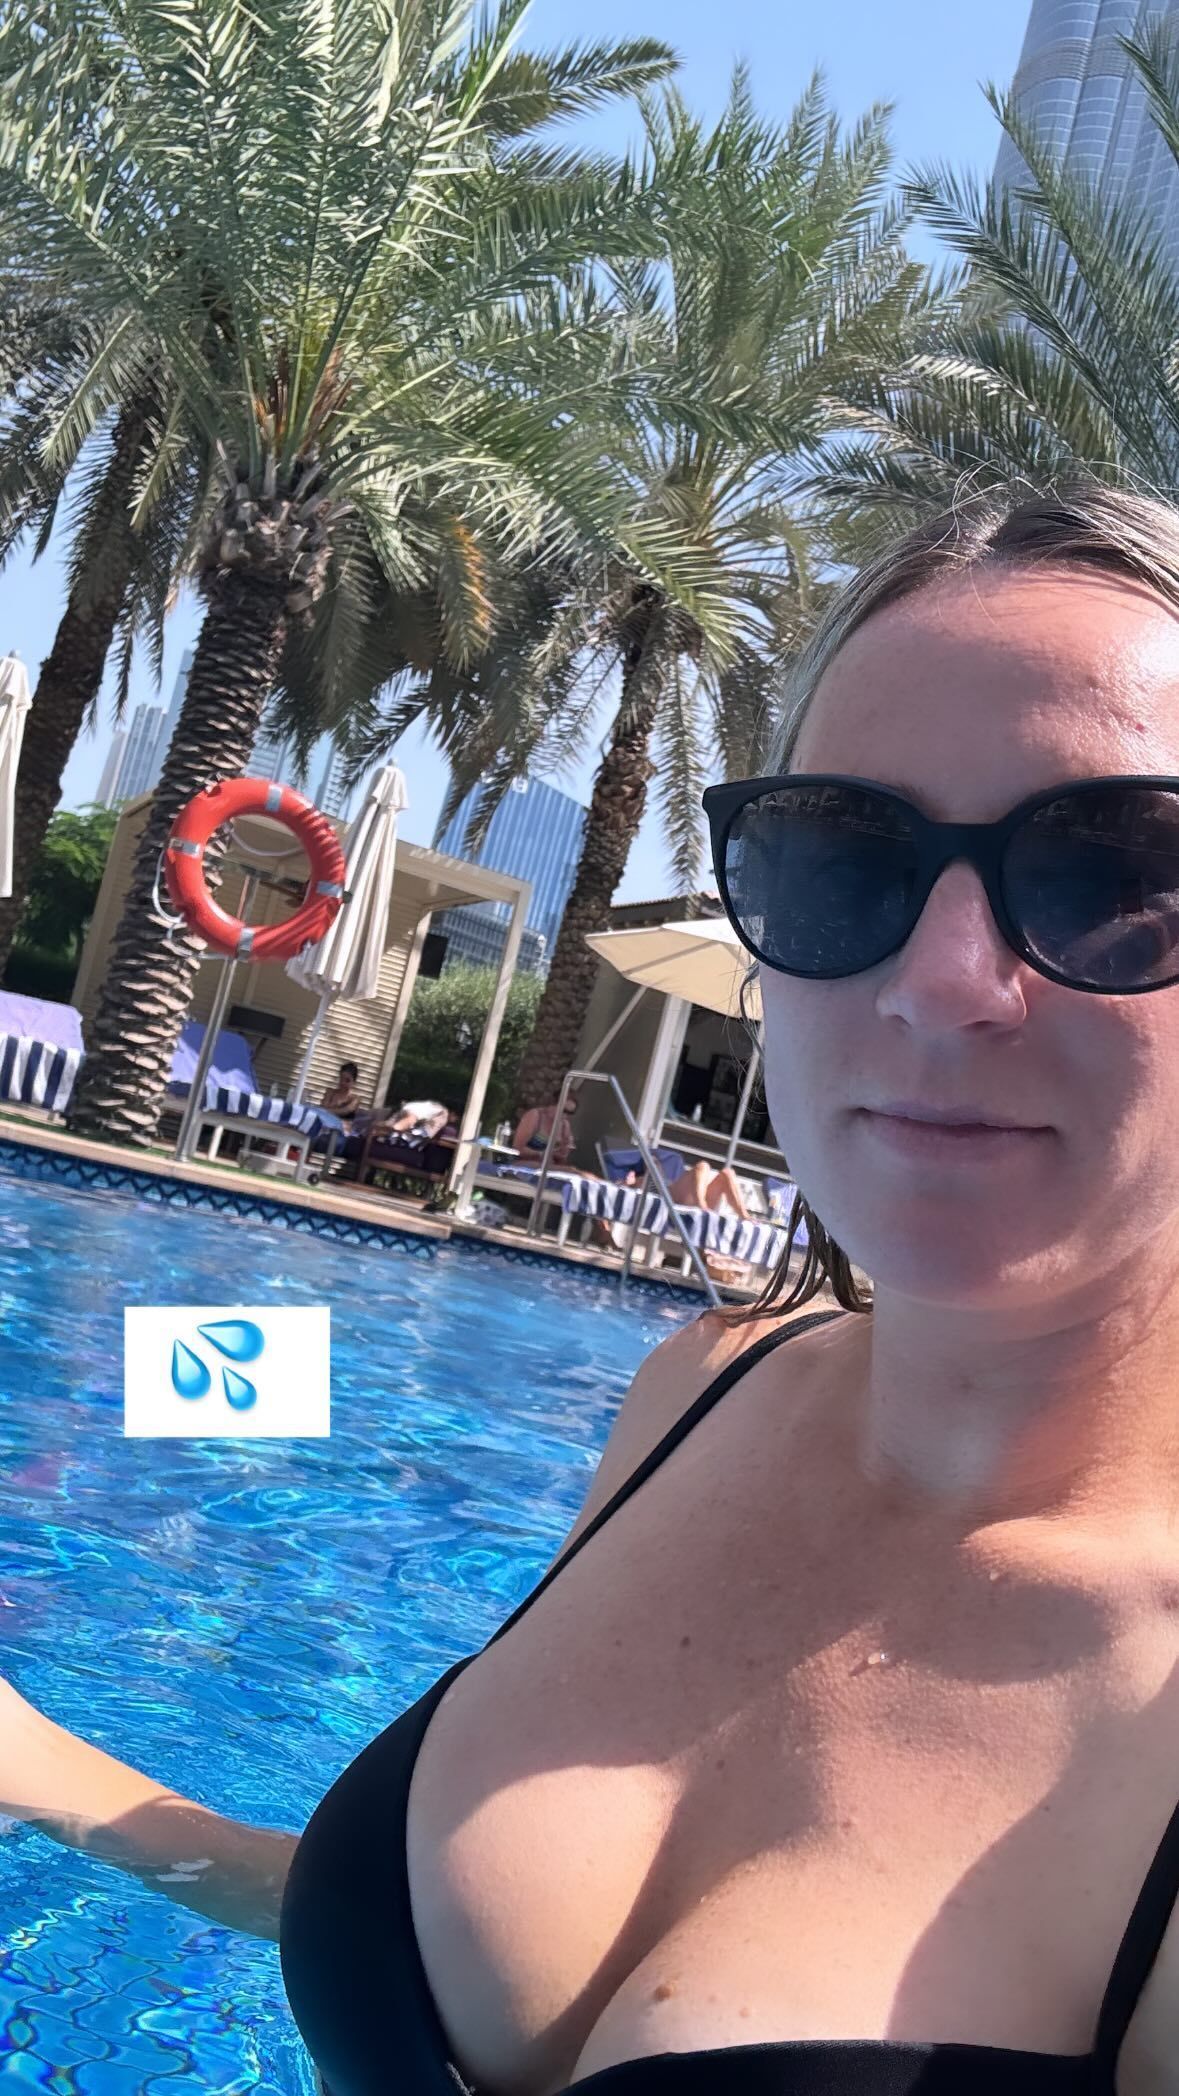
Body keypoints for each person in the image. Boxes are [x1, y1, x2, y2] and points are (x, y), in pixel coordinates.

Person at [8, 482, 1179, 2092]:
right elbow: (456, 1947)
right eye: (842, 857)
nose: (936, 984)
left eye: (1116, 873)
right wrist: (47, 1773)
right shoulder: (704, 1395)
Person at [512, 1095, 578, 1166]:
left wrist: (565, 1150)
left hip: (547, 1166)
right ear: (553, 1104)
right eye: (564, 1110)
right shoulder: (535, 1116)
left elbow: (562, 1158)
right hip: (524, 1164)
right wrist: (541, 1154)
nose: (565, 1115)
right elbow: (517, 1148)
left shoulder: (564, 1125)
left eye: (570, 1113)